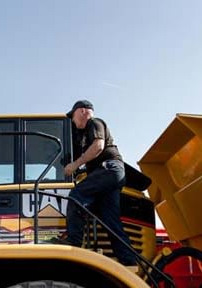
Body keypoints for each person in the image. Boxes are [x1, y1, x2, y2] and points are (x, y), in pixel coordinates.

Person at [51, 100, 138, 266]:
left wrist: (75, 165)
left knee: (77, 196)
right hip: (111, 174)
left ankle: (73, 241)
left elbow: (98, 146)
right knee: (110, 221)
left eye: (73, 116)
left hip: (109, 169)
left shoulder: (94, 123)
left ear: (83, 111)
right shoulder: (84, 135)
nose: (74, 121)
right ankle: (129, 261)